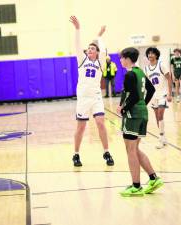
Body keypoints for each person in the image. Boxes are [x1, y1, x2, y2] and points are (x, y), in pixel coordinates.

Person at [117, 47, 163, 196]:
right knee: (135, 149)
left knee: (130, 150)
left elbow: (135, 96)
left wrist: (124, 109)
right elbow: (150, 90)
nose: (120, 60)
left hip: (133, 115)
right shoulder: (141, 72)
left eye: (121, 58)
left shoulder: (130, 74)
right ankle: (153, 178)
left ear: (127, 59)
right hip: (142, 113)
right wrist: (142, 103)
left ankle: (136, 186)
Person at [69, 16, 114, 167]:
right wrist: (77, 29)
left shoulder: (101, 63)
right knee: (81, 127)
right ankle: (76, 154)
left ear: (97, 52)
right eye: (89, 48)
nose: (90, 49)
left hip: (96, 97)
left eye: (92, 48)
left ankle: (106, 152)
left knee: (101, 123)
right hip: (83, 98)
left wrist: (99, 36)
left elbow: (104, 49)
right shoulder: (82, 60)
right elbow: (77, 45)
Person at [144, 47, 172, 149]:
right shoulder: (146, 68)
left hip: (163, 93)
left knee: (160, 115)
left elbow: (169, 78)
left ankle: (160, 139)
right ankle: (163, 137)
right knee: (157, 118)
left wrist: (170, 93)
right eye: (149, 53)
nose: (150, 55)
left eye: (152, 53)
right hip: (153, 95)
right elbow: (146, 84)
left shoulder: (161, 65)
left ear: (156, 55)